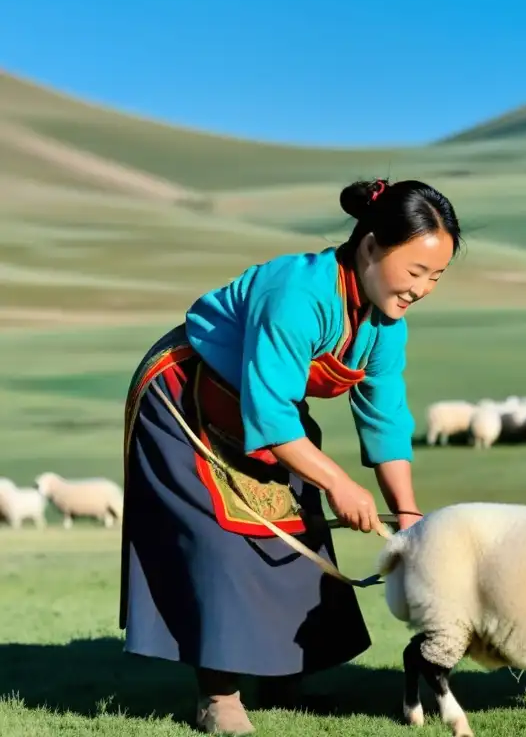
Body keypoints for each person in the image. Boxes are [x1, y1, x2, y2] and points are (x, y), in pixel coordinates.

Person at [119, 178, 462, 735]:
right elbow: (275, 419)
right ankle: (218, 696)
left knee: (298, 526)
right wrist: (341, 485)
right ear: (372, 247)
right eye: (415, 272)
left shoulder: (384, 321)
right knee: (223, 538)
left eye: (436, 277)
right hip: (184, 396)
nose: (422, 289)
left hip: (255, 402)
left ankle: (281, 674)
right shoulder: (297, 297)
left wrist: (408, 513)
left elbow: (384, 415)